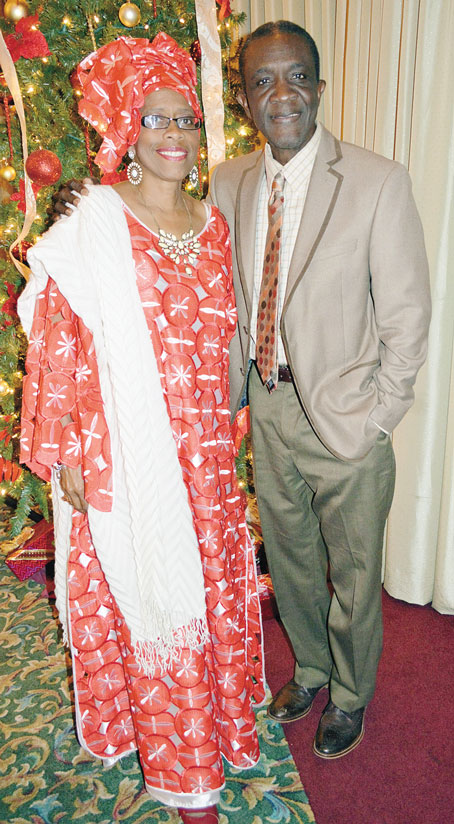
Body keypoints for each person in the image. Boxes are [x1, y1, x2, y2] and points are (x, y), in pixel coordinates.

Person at [51, 20, 431, 760]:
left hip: (347, 420)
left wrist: (375, 417)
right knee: (287, 556)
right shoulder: (229, 182)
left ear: (319, 88)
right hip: (265, 406)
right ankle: (312, 671)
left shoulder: (378, 181)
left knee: (354, 574)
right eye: (262, 81)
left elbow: (410, 321)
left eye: (295, 77)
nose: (280, 93)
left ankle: (350, 694)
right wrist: (86, 207)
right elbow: (185, 264)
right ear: (248, 102)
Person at [18, 33, 265, 823]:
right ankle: (184, 771)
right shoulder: (95, 221)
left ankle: (210, 734)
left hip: (206, 457)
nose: (171, 135)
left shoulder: (215, 224)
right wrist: (62, 457)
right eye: (154, 119)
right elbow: (55, 338)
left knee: (200, 598)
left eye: (185, 120)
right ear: (128, 127)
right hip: (125, 452)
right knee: (153, 600)